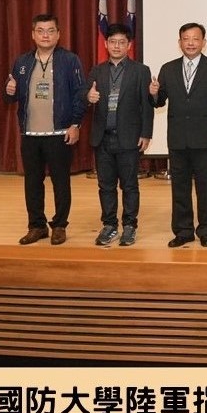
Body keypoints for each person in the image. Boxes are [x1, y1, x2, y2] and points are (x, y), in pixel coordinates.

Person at [4, 13, 86, 246]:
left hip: (59, 133)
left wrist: (75, 124)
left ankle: (59, 226)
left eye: (50, 31)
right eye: (40, 31)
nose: (45, 35)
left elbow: (80, 95)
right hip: (30, 134)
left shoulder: (70, 60)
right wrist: (9, 91)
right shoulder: (22, 62)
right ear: (33, 35)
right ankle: (37, 226)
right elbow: (11, 97)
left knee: (61, 182)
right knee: (32, 182)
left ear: (58, 34)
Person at [150, 22, 207, 248]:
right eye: (186, 39)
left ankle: (205, 230)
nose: (191, 43)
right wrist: (153, 93)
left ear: (204, 42)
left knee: (206, 188)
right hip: (178, 139)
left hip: (206, 138)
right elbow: (159, 102)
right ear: (180, 42)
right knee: (180, 188)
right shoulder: (168, 68)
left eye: (195, 39)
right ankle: (183, 231)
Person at [84, 23, 154, 246]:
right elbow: (85, 98)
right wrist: (88, 98)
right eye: (112, 42)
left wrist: (146, 133)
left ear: (129, 45)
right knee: (105, 185)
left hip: (129, 137)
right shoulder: (97, 71)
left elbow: (147, 105)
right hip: (102, 137)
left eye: (121, 42)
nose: (116, 46)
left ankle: (130, 226)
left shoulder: (140, 71)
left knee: (130, 185)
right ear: (106, 44)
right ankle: (109, 225)